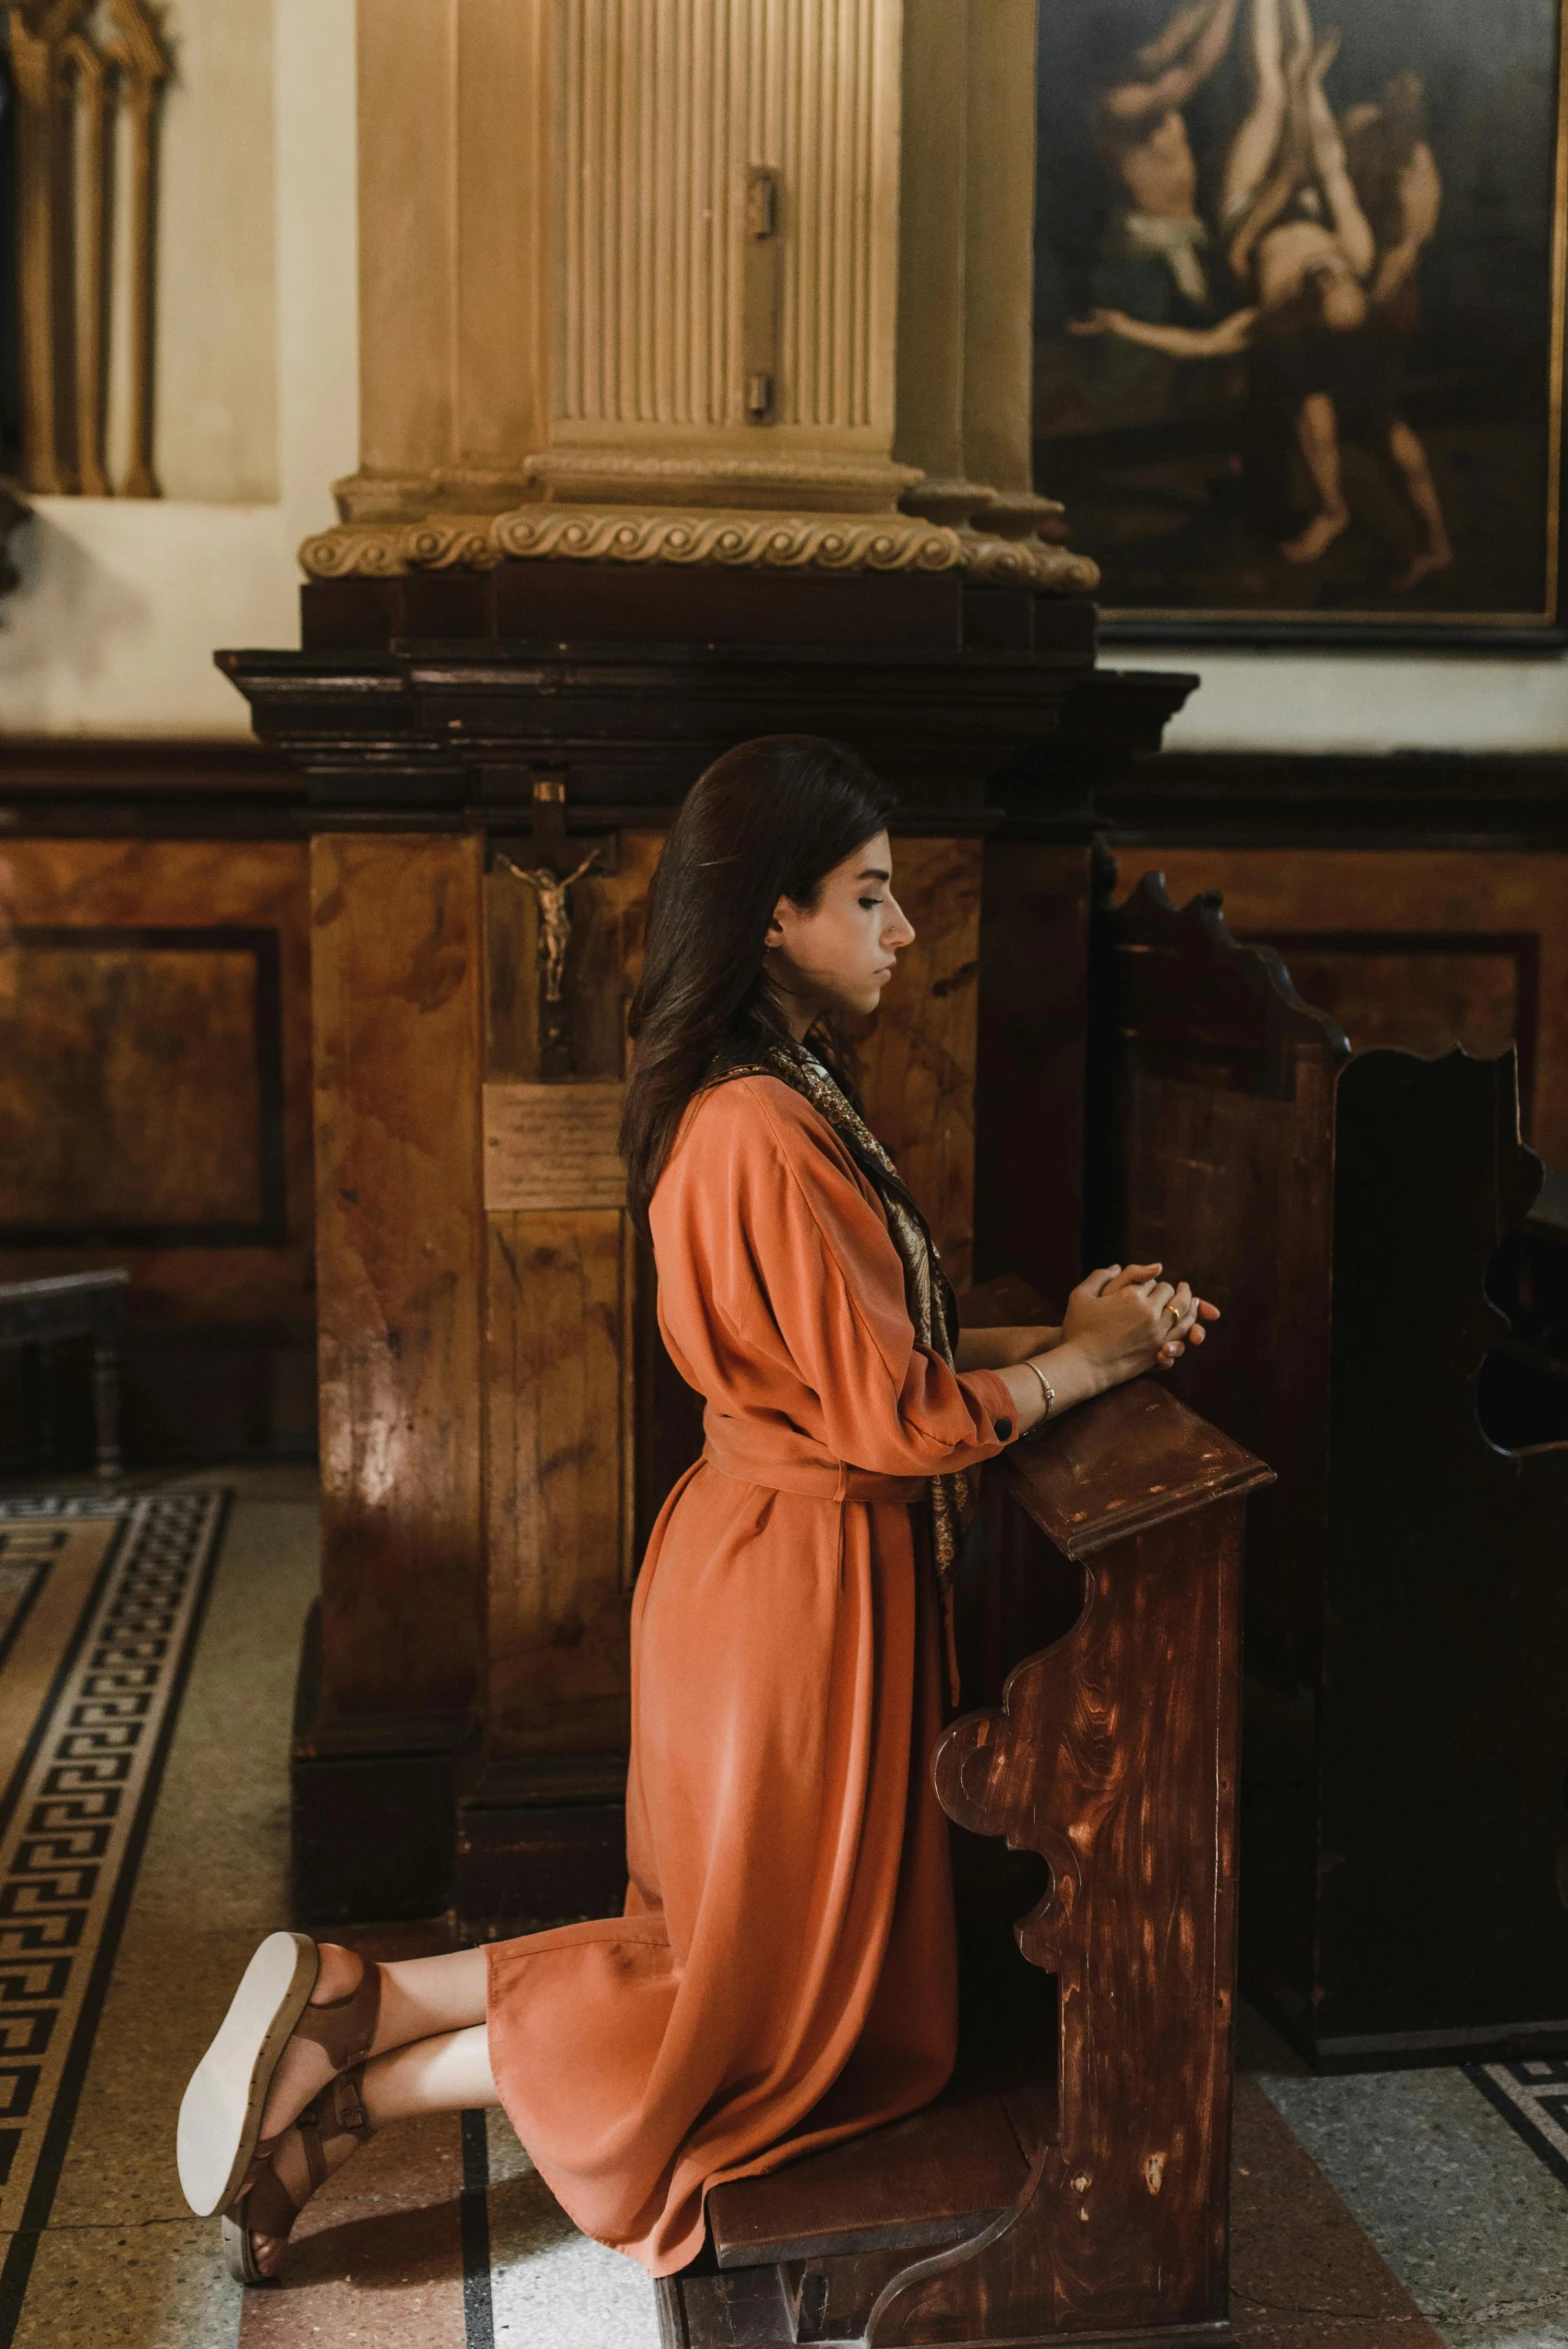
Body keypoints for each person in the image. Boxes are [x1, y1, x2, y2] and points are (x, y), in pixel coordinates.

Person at [176, 736, 1218, 2285]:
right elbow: (901, 1416)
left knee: (736, 1973)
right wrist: (1087, 1360)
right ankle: (361, 2057)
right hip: (795, 1596)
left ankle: (356, 2025)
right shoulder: (754, 1126)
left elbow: (879, 1352)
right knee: (764, 2024)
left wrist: (1078, 1338)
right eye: (871, 898)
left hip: (780, 1567)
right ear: (773, 918)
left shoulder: (782, 1095)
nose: (904, 932)